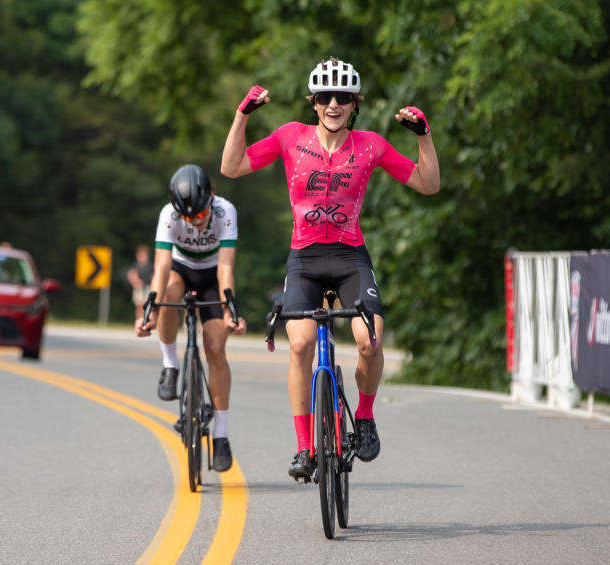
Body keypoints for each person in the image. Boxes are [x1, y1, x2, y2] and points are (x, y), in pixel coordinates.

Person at [221, 57, 440, 480]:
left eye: (343, 97)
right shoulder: (290, 137)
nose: (334, 104)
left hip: (348, 257)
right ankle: (304, 448)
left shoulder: (371, 145)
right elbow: (232, 167)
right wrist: (241, 116)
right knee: (300, 344)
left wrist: (424, 138)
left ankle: (366, 415)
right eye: (325, 97)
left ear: (355, 104)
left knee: (369, 341)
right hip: (304, 258)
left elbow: (428, 185)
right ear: (314, 103)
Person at [135, 164, 247, 472]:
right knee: (169, 293)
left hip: (213, 274)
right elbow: (161, 266)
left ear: (211, 198)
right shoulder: (168, 215)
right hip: (181, 271)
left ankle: (221, 437)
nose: (194, 223)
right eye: (187, 218)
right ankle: (170, 364)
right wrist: (151, 310)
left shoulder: (225, 211)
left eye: (199, 215)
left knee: (214, 347)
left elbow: (226, 265)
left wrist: (228, 308)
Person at [125, 244, 154, 322]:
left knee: (149, 305)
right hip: (139, 287)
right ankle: (139, 320)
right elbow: (131, 275)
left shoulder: (151, 265)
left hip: (149, 287)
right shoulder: (136, 265)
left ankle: (148, 320)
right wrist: (135, 281)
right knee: (139, 306)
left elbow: (154, 276)